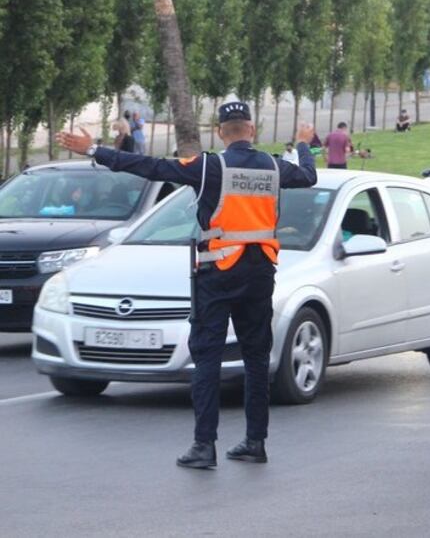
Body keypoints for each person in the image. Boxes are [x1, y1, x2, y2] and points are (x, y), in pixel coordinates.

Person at [56, 102, 317, 469]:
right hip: (260, 271)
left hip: (218, 271)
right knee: (256, 357)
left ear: (220, 132)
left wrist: (95, 150)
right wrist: (305, 143)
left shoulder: (210, 165)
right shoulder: (275, 167)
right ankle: (255, 441)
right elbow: (308, 175)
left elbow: (150, 166)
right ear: (252, 130)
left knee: (207, 356)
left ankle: (203, 446)